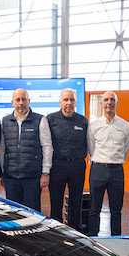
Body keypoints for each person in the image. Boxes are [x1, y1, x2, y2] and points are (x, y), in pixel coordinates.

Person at [0, 88, 53, 211]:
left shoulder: (40, 120)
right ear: (12, 102)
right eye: (18, 100)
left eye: (24, 99)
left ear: (29, 101)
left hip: (32, 177)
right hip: (11, 177)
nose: (21, 103)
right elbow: (1, 149)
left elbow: (47, 147)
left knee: (32, 213)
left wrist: (45, 173)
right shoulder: (5, 121)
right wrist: (1, 172)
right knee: (12, 213)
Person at [86, 91, 129, 236]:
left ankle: (116, 238)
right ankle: (93, 238)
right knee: (94, 208)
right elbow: (91, 147)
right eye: (106, 100)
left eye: (112, 100)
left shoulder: (125, 125)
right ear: (101, 103)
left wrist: (116, 161)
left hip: (117, 171)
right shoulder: (94, 125)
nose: (109, 102)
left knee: (116, 210)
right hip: (98, 169)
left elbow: (126, 149)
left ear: (117, 104)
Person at [46, 88, 89, 229]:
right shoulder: (50, 119)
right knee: (56, 200)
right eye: (65, 100)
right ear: (60, 101)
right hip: (57, 165)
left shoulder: (83, 121)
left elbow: (88, 143)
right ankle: (56, 230)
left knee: (76, 201)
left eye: (72, 100)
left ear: (76, 102)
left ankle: (74, 230)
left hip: (77, 166)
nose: (68, 103)